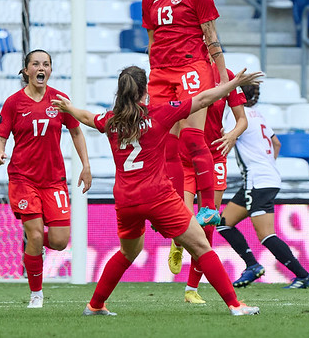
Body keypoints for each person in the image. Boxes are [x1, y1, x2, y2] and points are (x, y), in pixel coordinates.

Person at [52, 65, 263, 316]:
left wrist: (68, 108)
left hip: (126, 200)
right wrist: (232, 83)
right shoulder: (159, 114)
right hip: (157, 196)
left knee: (127, 252)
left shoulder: (110, 120)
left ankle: (95, 305)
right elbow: (204, 98)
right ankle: (235, 305)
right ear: (145, 91)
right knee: (202, 247)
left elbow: (86, 117)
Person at [142, 0, 228, 230]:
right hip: (162, 74)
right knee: (166, 144)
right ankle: (176, 208)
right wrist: (148, 84)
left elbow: (212, 37)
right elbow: (153, 43)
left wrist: (220, 78)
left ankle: (207, 208)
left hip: (193, 68)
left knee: (193, 137)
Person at [0, 49, 92, 309]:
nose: (41, 68)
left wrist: (86, 165)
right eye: (35, 64)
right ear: (26, 70)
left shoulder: (59, 100)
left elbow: (76, 132)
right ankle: (36, 294)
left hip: (54, 180)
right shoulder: (14, 102)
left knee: (59, 242)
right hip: (23, 178)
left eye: (45, 64)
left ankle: (32, 247)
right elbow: (0, 136)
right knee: (36, 235)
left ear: (49, 70)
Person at [216, 84, 309, 290]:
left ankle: (303, 276)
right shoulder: (257, 115)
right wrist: (267, 165)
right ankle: (252, 265)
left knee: (266, 235)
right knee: (224, 222)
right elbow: (276, 143)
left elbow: (225, 142)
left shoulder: (236, 116)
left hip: (258, 181)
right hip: (263, 178)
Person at [177, 65, 248, 304]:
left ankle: (191, 289)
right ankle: (178, 241)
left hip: (214, 155)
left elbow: (242, 120)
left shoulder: (225, 75)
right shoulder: (183, 73)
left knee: (208, 221)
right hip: (185, 157)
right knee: (182, 219)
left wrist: (232, 135)